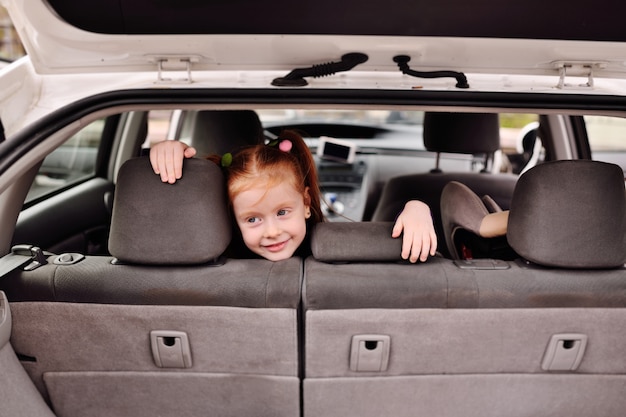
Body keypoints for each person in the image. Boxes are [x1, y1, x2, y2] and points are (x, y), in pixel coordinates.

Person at [150, 130, 437, 262]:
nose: (272, 231)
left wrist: (417, 209)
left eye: (283, 212)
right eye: (252, 219)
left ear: (307, 203)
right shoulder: (215, 257)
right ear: (231, 219)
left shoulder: (338, 253)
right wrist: (169, 153)